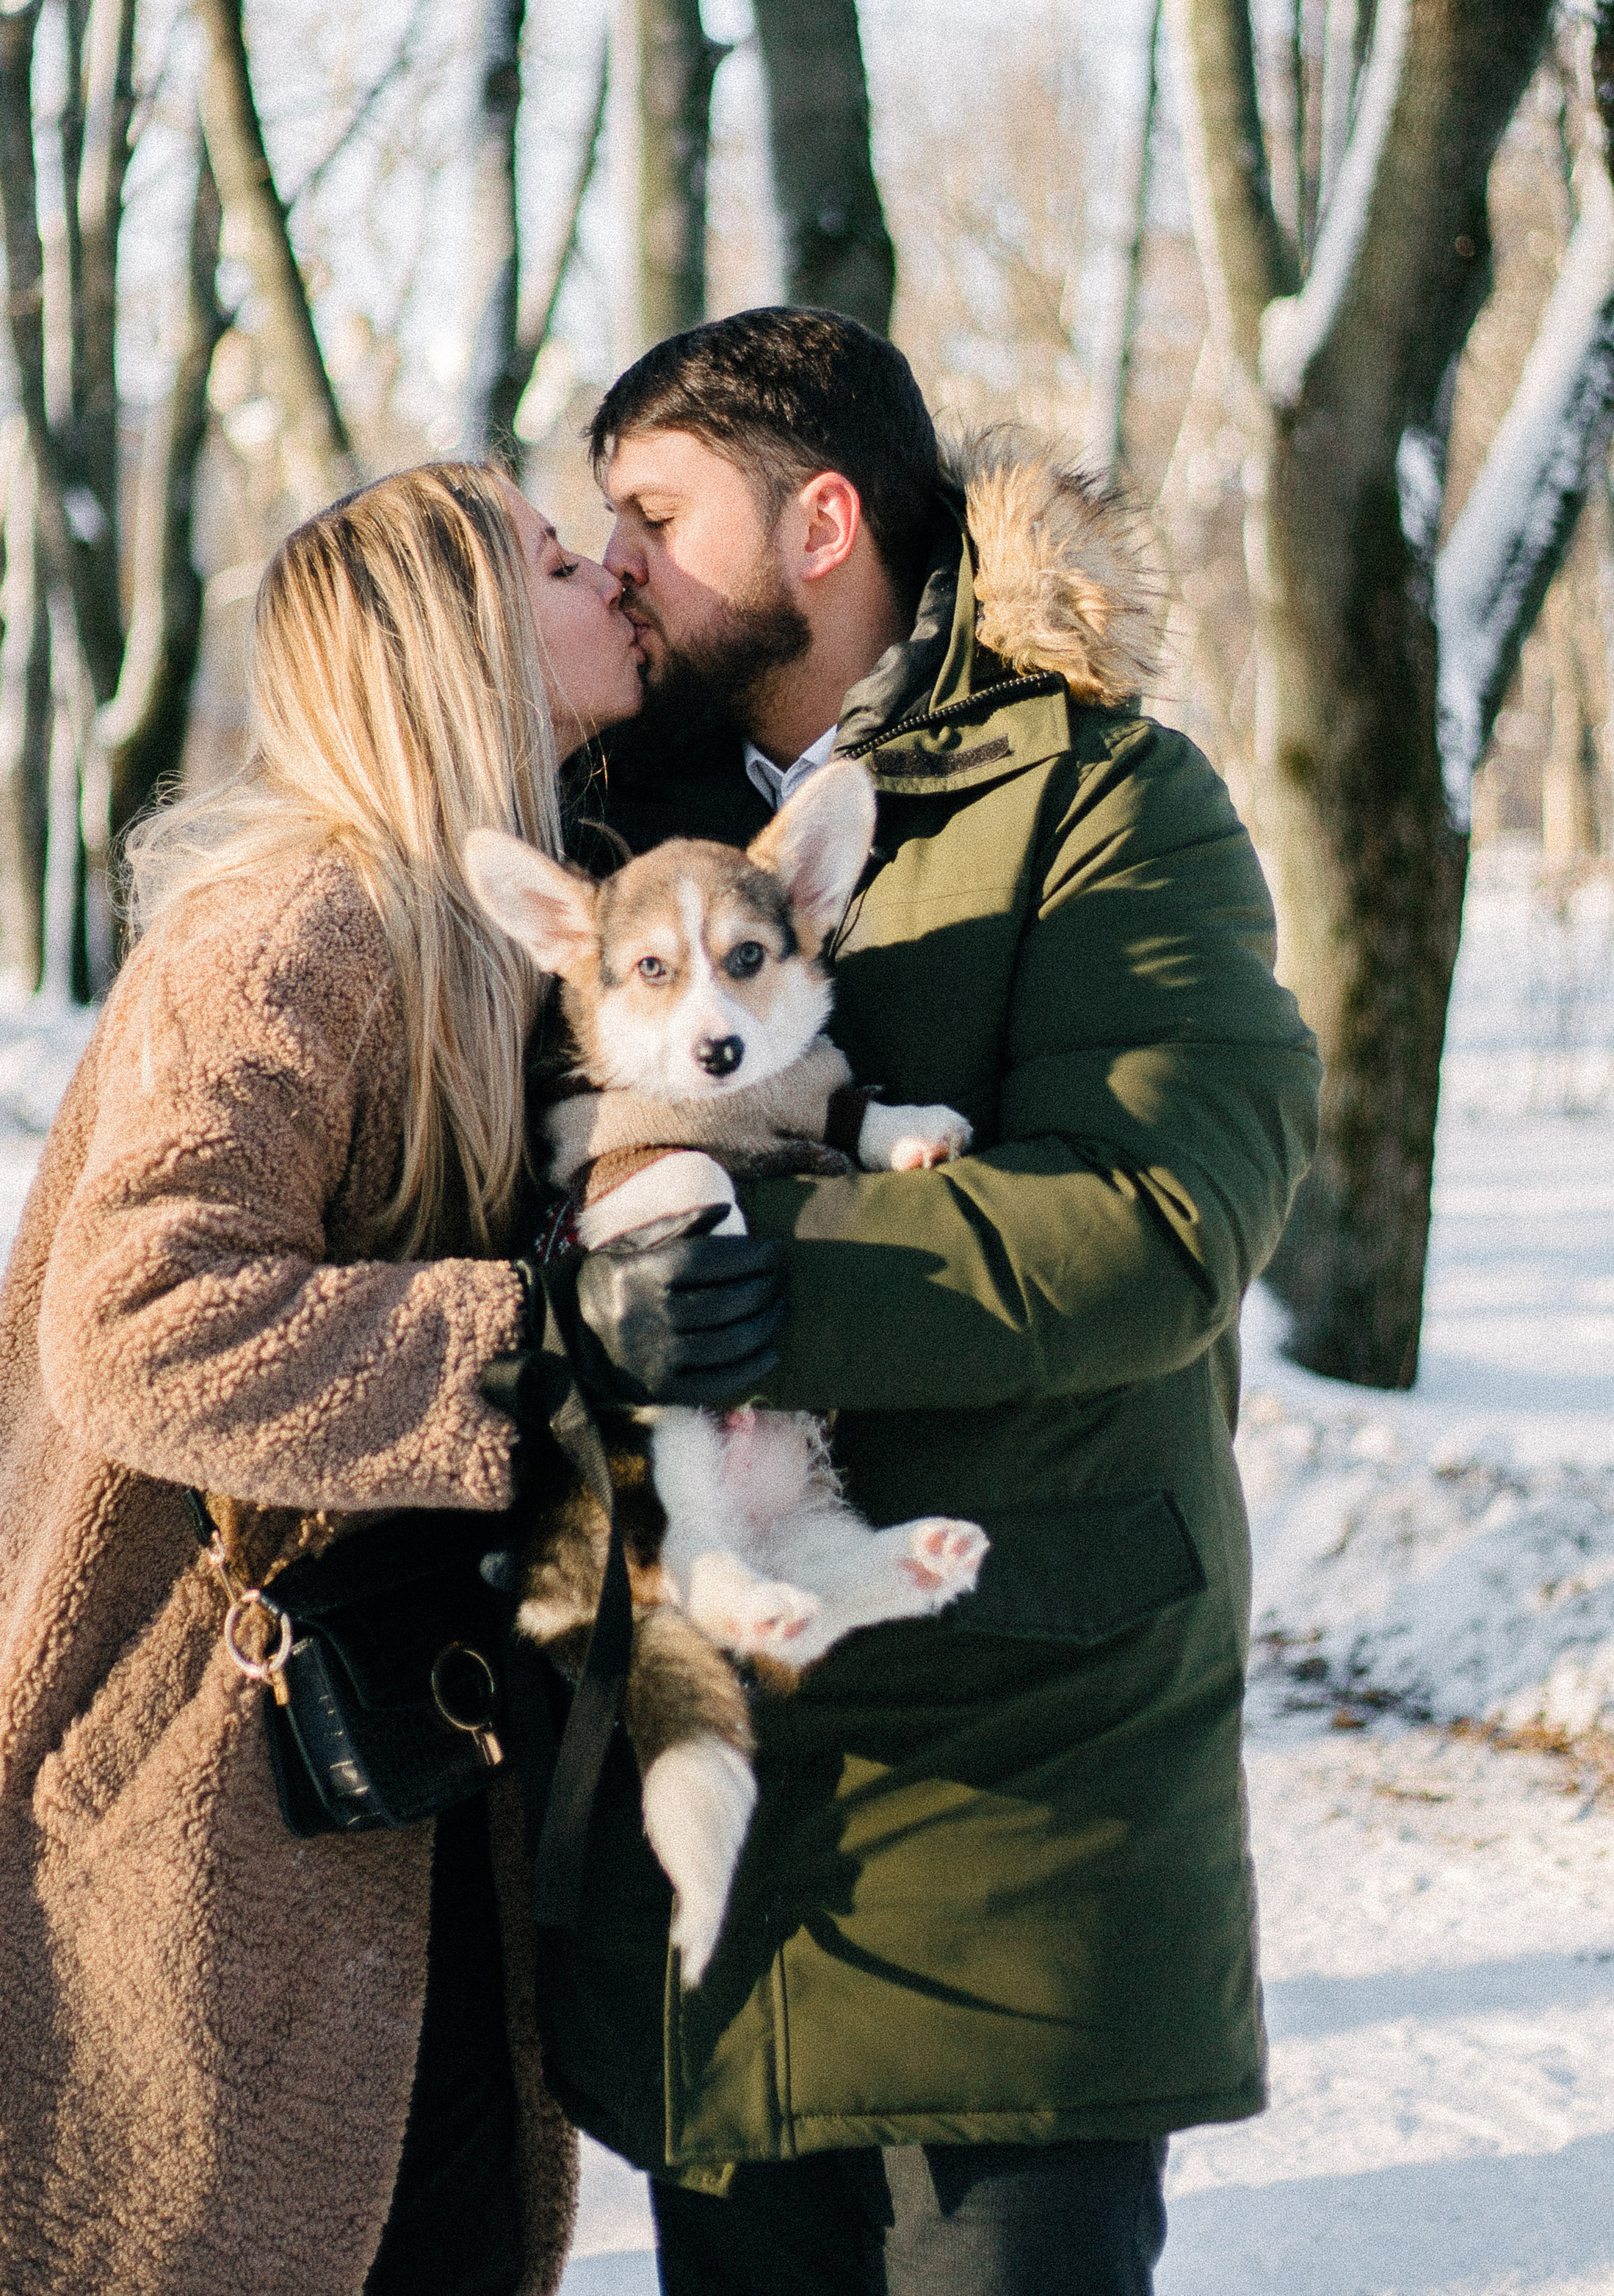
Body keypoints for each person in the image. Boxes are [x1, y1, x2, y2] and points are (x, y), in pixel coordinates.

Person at [0, 462, 786, 2296]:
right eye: (558, 561)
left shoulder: (472, 928)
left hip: (376, 1765)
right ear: (459, 644)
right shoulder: (297, 927)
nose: (612, 583)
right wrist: (536, 1336)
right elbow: (138, 1321)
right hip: (207, 1772)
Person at [540, 309, 1324, 2296]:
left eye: (651, 509)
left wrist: (743, 1284)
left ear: (819, 521)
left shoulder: (1105, 800)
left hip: (1022, 1785)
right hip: (713, 1790)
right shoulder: (611, 831)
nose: (613, 557)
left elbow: (1157, 1218)